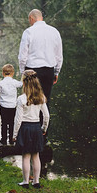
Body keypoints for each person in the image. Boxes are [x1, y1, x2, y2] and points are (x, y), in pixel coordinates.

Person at [18, 9, 62, 137]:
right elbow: (59, 56)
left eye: (29, 20)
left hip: (32, 71)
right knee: (45, 102)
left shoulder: (29, 32)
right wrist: (56, 71)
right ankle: (43, 135)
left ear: (31, 18)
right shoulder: (54, 31)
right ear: (41, 17)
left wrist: (23, 73)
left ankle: (28, 135)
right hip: (48, 70)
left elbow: (22, 56)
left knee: (29, 101)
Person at [13, 70, 50, 189]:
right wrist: (43, 128)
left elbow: (18, 119)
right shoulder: (41, 97)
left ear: (24, 83)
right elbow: (46, 116)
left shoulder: (21, 99)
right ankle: (36, 181)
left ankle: (25, 182)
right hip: (36, 128)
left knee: (26, 155)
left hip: (25, 128)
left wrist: (14, 134)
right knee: (36, 155)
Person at [0, 64, 23, 145]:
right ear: (13, 73)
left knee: (4, 123)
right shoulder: (14, 82)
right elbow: (21, 84)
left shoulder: (1, 83)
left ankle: (3, 139)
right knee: (12, 123)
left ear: (3, 73)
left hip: (3, 106)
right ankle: (11, 139)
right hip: (12, 106)